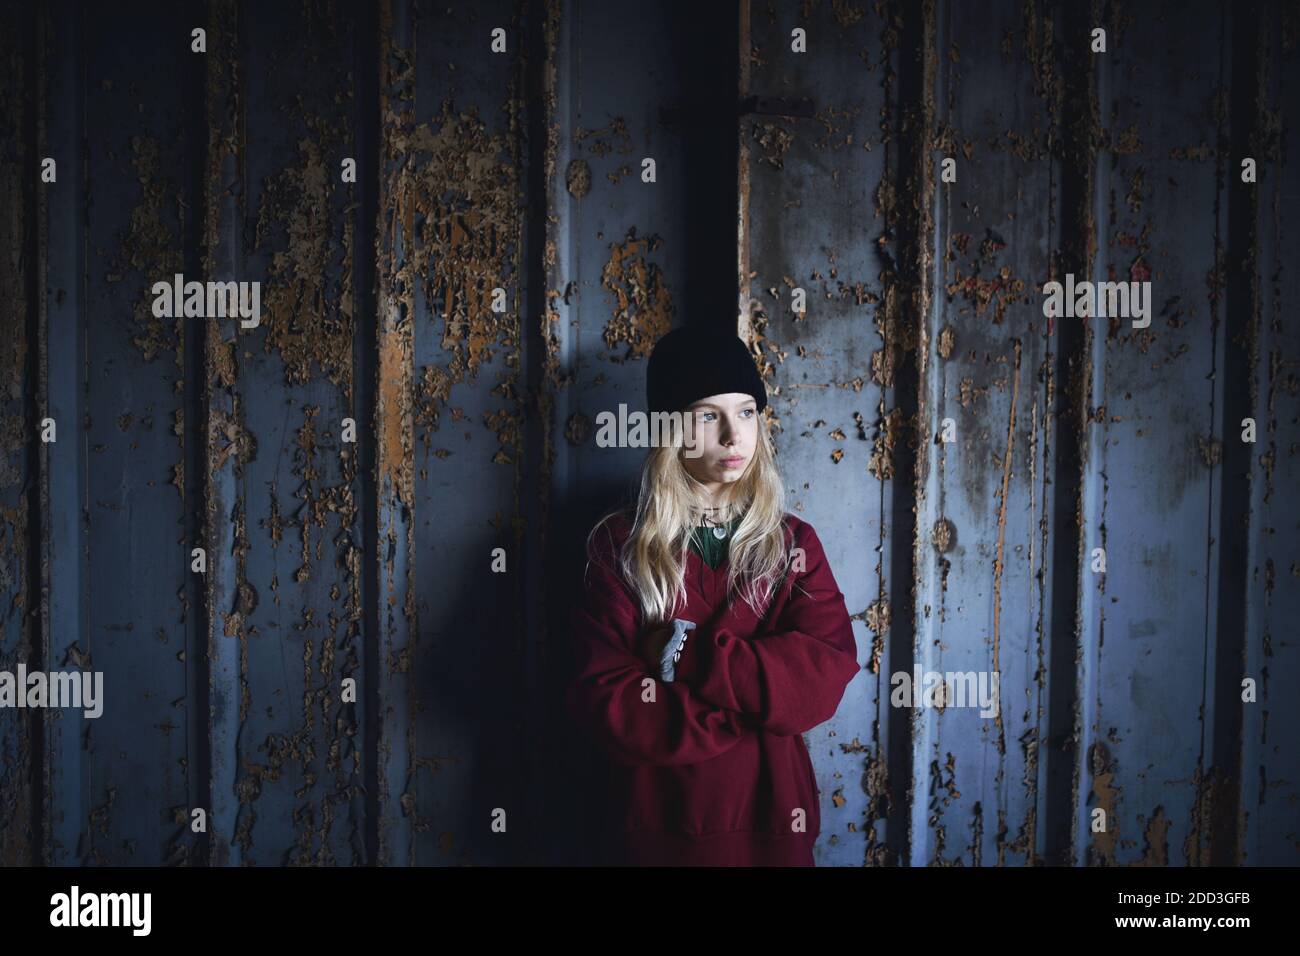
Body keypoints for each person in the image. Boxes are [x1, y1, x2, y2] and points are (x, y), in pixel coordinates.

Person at [565, 324, 860, 866]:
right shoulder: (620, 547)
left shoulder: (793, 543)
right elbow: (609, 704)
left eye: (746, 412)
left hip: (773, 833)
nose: (733, 435)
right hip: (658, 836)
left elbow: (822, 676)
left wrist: (686, 652)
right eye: (708, 414)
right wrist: (759, 703)